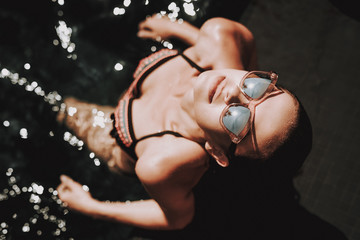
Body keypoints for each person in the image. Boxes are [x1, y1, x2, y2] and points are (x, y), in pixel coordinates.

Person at [56, 15, 312, 233]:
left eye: (238, 120)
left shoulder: (163, 160)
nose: (234, 93)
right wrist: (177, 28)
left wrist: (93, 208)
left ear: (216, 151)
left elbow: (178, 218)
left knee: (60, 106)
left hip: (115, 138)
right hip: (138, 97)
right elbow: (235, 54)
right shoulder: (222, 35)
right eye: (258, 88)